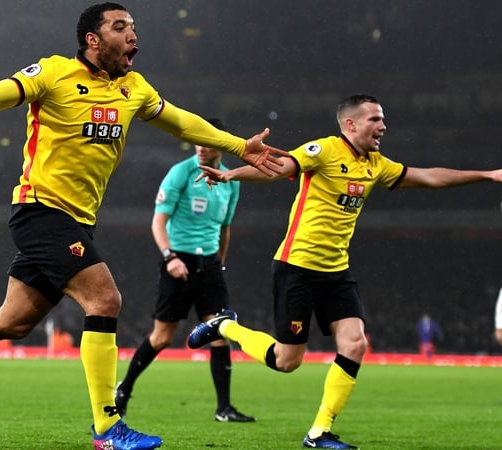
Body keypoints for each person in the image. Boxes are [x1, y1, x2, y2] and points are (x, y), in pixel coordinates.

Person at [0, 3, 287, 449]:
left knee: (12, 322)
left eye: (134, 27)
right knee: (105, 298)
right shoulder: (54, 73)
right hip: (40, 210)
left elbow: (182, 120)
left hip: (79, 222)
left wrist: (240, 147)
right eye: (120, 27)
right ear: (93, 40)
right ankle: (107, 427)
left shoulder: (133, 87)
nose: (132, 35)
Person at [188, 94, 502, 449]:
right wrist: (231, 174)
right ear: (350, 124)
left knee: (355, 343)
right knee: (287, 361)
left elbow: (428, 176)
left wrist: (488, 175)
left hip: (337, 271)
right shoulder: (322, 151)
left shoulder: (376, 164)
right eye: (374, 120)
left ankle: (319, 431)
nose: (382, 126)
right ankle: (224, 325)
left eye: (382, 120)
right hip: (298, 267)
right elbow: (278, 167)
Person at [115, 117, 254, 423]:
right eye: (198, 140)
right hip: (178, 261)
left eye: (209, 141)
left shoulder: (231, 181)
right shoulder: (180, 173)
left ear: (222, 143)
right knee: (162, 337)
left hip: (210, 266)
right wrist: (169, 258)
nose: (202, 147)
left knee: (220, 334)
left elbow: (225, 228)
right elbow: (158, 222)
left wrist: (220, 261)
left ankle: (224, 408)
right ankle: (123, 390)